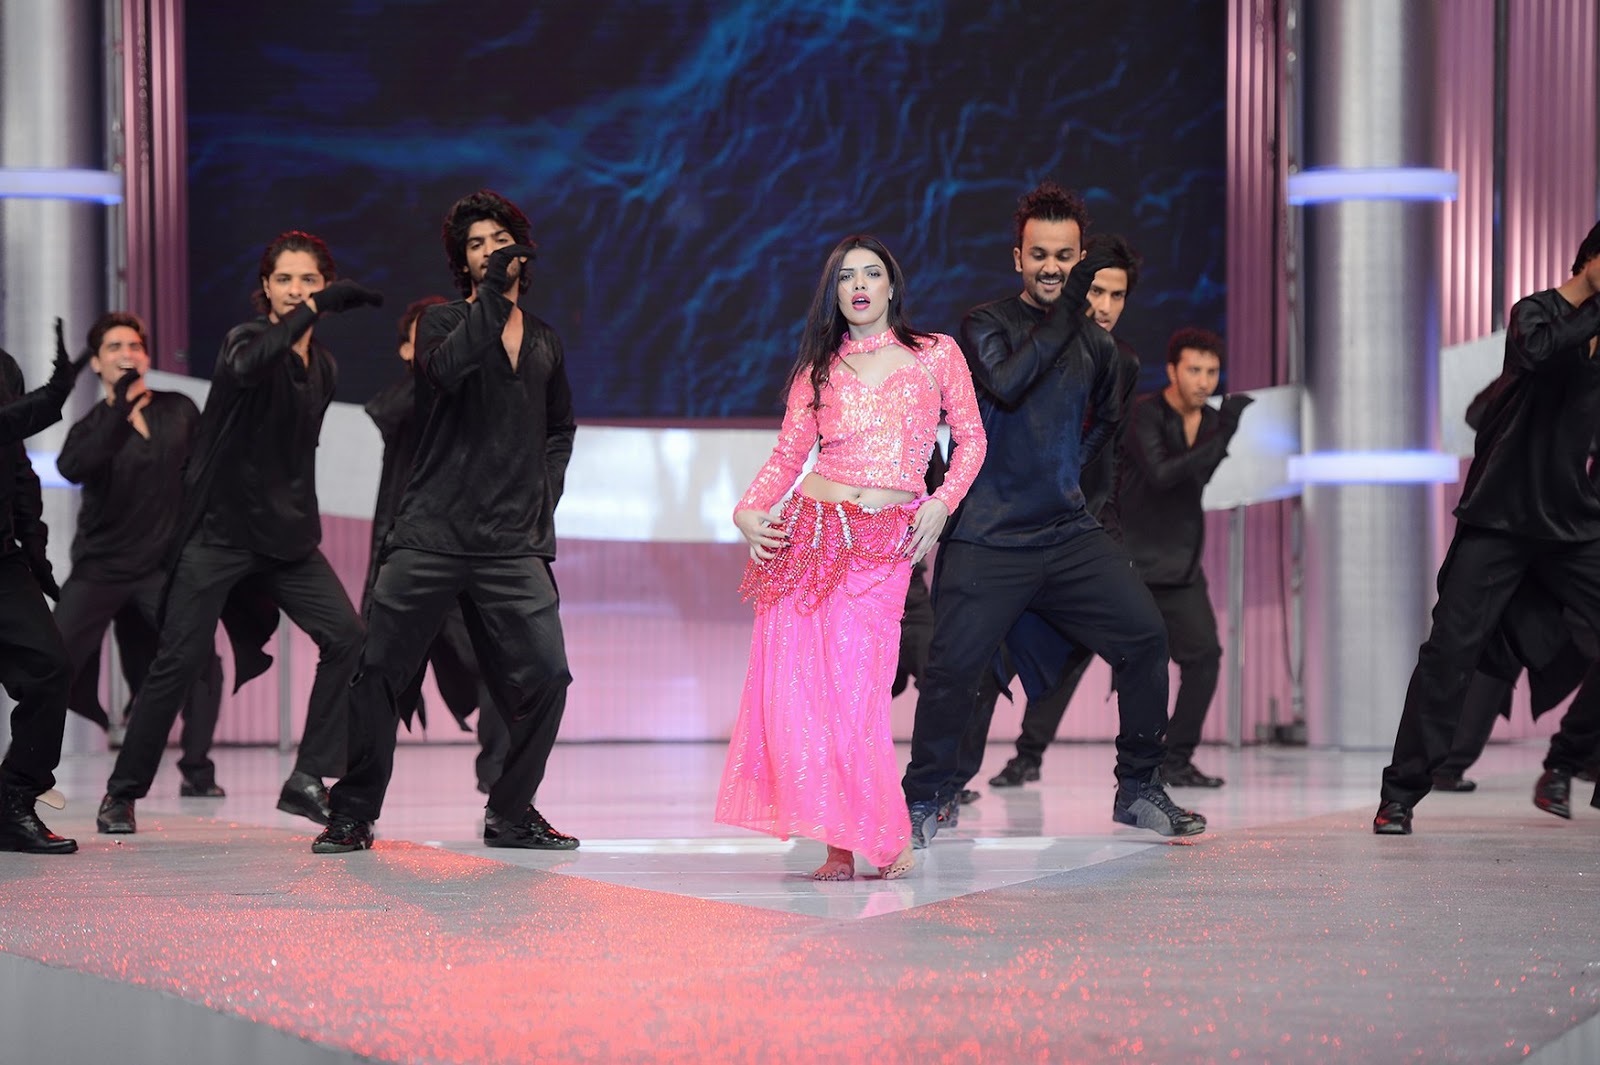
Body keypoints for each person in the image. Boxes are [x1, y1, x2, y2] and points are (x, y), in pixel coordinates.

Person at [903, 182, 1205, 848]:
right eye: (1039, 254)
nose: (1051, 267)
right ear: (1018, 257)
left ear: (1079, 258)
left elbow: (1104, 430)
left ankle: (1139, 785)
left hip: (1065, 533)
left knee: (1144, 637)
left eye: (1064, 256)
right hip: (987, 534)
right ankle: (923, 795)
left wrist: (1068, 479)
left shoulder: (1103, 350)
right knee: (953, 670)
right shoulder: (984, 324)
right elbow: (1010, 384)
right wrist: (1070, 306)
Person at [716, 233, 986, 880]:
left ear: (892, 285)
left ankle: (884, 835)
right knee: (809, 698)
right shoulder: (818, 370)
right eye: (846, 276)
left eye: (871, 273)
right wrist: (746, 510)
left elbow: (972, 439)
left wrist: (942, 503)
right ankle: (837, 844)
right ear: (833, 293)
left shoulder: (935, 354)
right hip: (810, 538)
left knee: (859, 690)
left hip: (886, 541)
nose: (859, 285)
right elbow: (788, 456)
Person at [96, 231, 382, 835]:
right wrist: (315, 309)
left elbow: (297, 453)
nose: (297, 290)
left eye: (309, 280)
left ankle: (307, 777)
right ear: (267, 288)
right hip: (219, 535)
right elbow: (252, 367)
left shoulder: (324, 366)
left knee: (348, 636)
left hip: (286, 539)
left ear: (326, 283)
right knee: (178, 662)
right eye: (285, 280)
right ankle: (122, 792)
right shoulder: (244, 341)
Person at [317, 189, 576, 854]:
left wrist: (541, 494)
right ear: (464, 263)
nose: (489, 252)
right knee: (379, 670)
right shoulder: (441, 325)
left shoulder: (546, 340)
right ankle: (353, 812)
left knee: (548, 676)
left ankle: (510, 811)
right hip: (432, 531)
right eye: (475, 245)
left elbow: (559, 429)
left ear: (523, 249)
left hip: (511, 543)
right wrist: (490, 296)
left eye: (499, 240)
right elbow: (449, 370)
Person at [1376, 220, 1600, 835]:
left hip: (1571, 522)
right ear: (1590, 258)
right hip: (1501, 515)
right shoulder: (1535, 314)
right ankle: (1400, 794)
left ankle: (1567, 761)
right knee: (1449, 652)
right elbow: (1540, 353)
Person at [962, 234, 1145, 799]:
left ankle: (1128, 780)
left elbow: (1107, 444)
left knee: (1109, 643)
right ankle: (950, 782)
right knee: (988, 659)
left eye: (1117, 295)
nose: (1105, 306)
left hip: (1084, 522)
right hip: (1013, 524)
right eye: (1097, 292)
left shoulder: (1119, 360)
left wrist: (1090, 505)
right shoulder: (1025, 345)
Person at [52, 312, 226, 796]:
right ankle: (23, 768)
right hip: (100, 567)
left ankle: (197, 771)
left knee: (202, 660)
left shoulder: (179, 409)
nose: (126, 354)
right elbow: (72, 467)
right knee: (51, 662)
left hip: (161, 569)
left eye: (134, 346)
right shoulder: (91, 426)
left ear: (146, 357)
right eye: (114, 347)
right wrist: (119, 408)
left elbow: (209, 473)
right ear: (97, 363)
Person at [364, 295, 508, 793]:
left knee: (501, 664)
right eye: (427, 340)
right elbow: (384, 412)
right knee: (375, 674)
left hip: (470, 557)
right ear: (408, 350)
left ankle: (502, 787)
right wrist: (433, 372)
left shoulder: (483, 401)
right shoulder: (406, 402)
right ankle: (356, 793)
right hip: (409, 557)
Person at [1107, 328, 1252, 787]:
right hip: (1133, 560)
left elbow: (1199, 479)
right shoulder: (1144, 414)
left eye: (1212, 372)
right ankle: (1028, 753)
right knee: (1118, 662)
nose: (1204, 381)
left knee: (1204, 656)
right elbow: (1163, 474)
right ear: (1172, 371)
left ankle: (1176, 758)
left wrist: (1219, 434)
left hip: (1182, 561)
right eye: (1194, 370)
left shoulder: (1210, 420)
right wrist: (1225, 433)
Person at [0, 331, 88, 854]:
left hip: (2, 559)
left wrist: (35, 550)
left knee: (49, 668)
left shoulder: (3, 367)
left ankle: (14, 800)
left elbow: (16, 463)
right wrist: (48, 401)